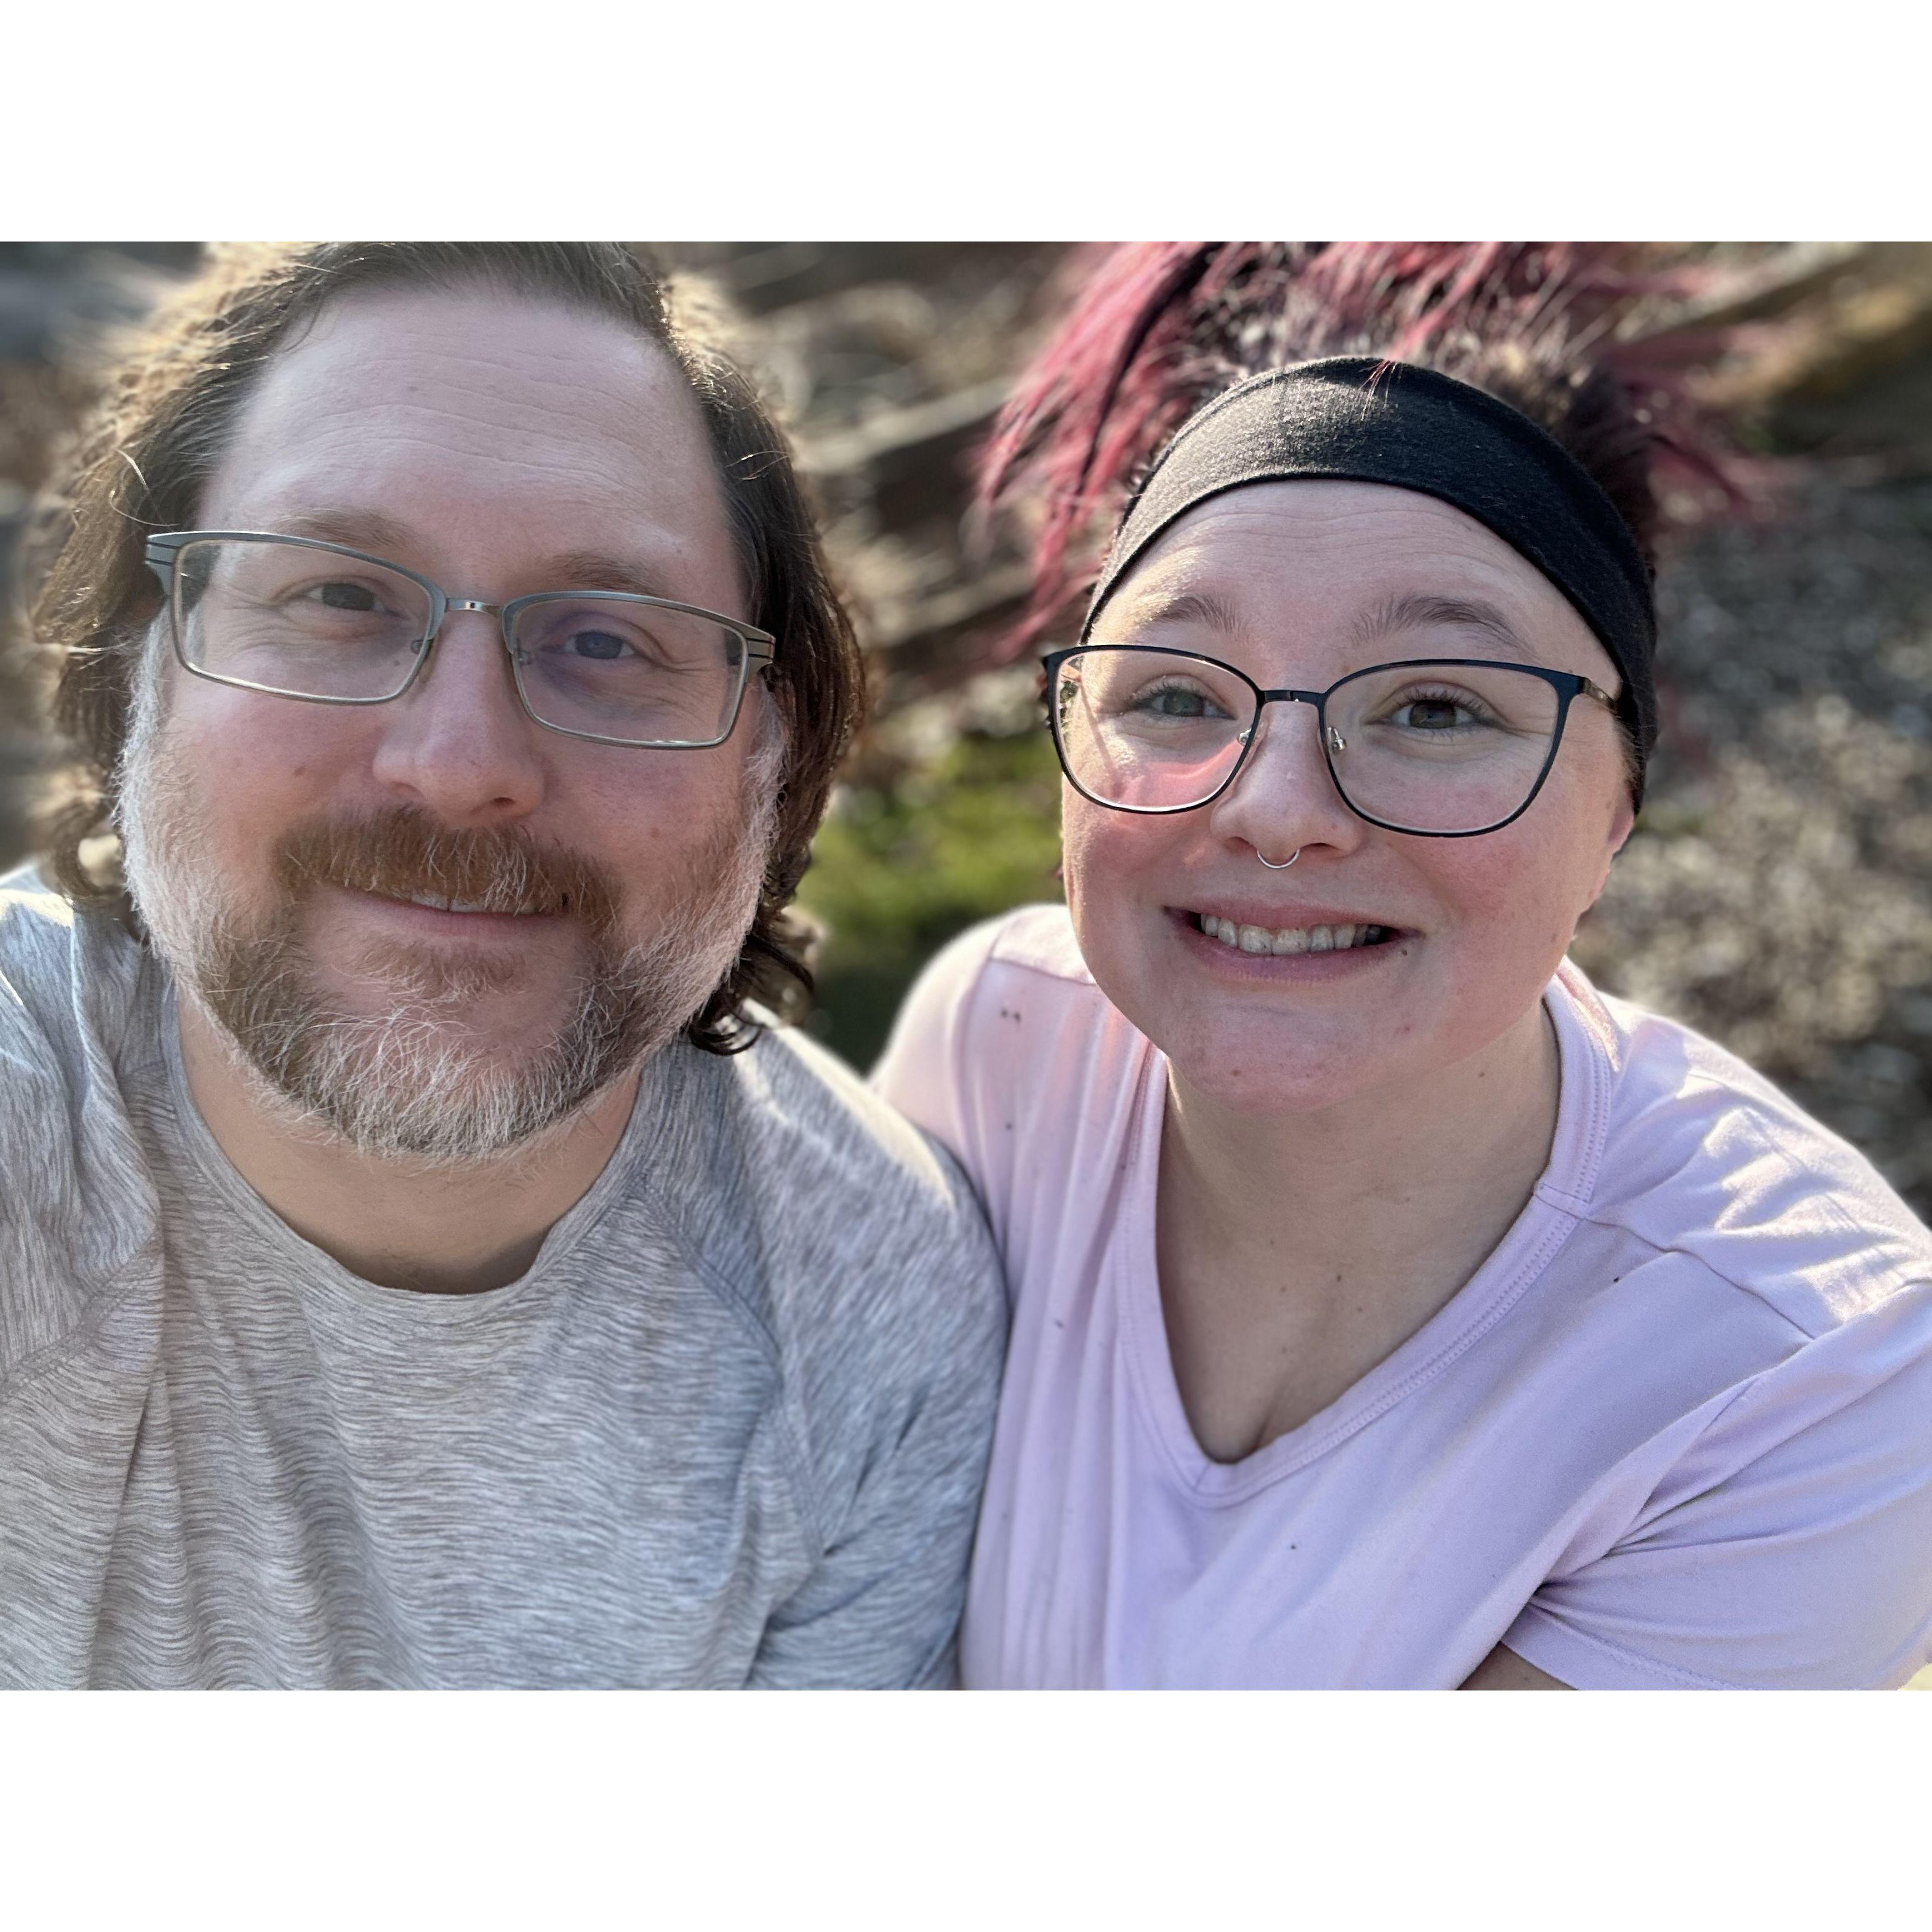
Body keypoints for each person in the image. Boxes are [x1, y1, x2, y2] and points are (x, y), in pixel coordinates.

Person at [875, 243, 1932, 1689]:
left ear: (1615, 811)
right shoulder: (999, 1043)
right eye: (1174, 691)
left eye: (1433, 706)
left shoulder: (1794, 1376)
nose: (1276, 809)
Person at [0, 242, 1005, 1689]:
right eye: (337, 598)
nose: (460, 762)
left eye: (605, 638)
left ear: (773, 757)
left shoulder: (875, 1317)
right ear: (137, 672)